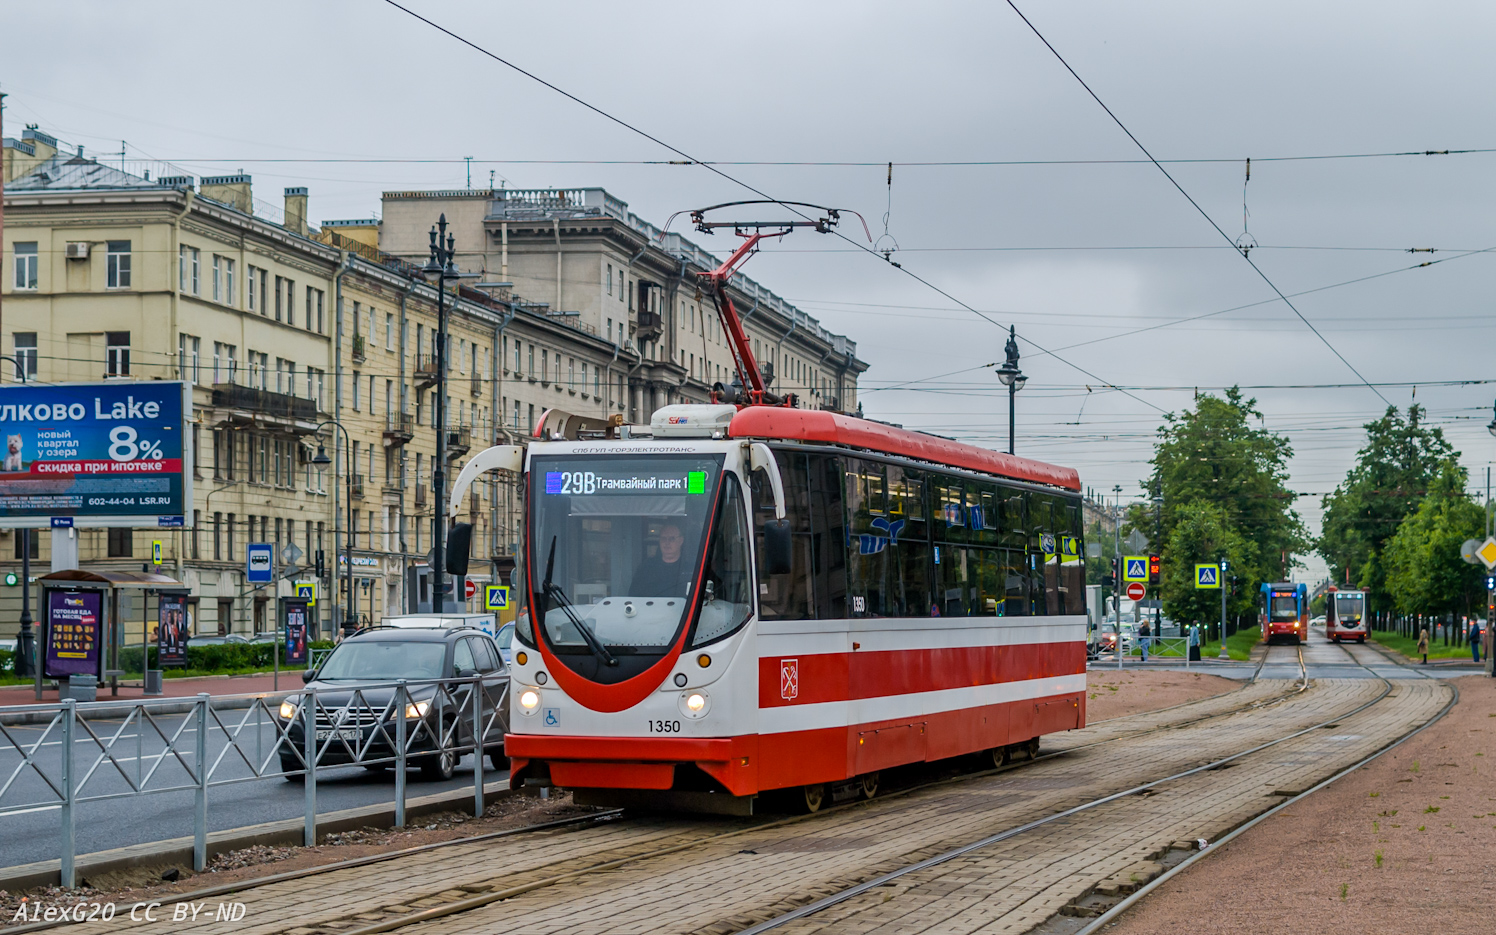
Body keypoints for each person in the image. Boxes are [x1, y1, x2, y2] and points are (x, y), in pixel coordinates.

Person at [630, 523, 691, 597]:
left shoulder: (690, 569)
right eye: (663, 538)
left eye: (671, 539)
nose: (667, 543)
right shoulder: (646, 568)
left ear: (681, 541)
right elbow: (633, 595)